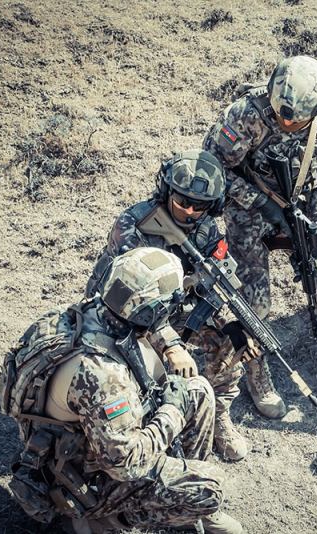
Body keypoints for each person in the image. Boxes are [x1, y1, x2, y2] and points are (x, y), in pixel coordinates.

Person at [1, 247, 241, 533]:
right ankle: (110, 519)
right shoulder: (103, 377)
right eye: (170, 304)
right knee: (209, 488)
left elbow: (146, 320)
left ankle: (180, 493)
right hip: (88, 481)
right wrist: (173, 411)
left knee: (198, 391)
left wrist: (171, 346)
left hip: (80, 443)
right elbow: (126, 464)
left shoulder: (91, 312)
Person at [203, 55, 317, 401]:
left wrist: (315, 223)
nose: (286, 122)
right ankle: (256, 371)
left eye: (296, 119)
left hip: (304, 206)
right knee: (253, 299)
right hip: (249, 208)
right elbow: (214, 167)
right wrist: (261, 203)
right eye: (281, 114)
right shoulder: (244, 115)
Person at [85, 150, 250, 460]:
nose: (190, 211)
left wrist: (233, 323)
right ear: (166, 192)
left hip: (171, 309)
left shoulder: (206, 230)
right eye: (182, 201)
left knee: (228, 337)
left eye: (199, 206)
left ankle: (217, 415)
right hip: (123, 315)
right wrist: (171, 345)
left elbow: (216, 282)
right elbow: (130, 303)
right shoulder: (134, 225)